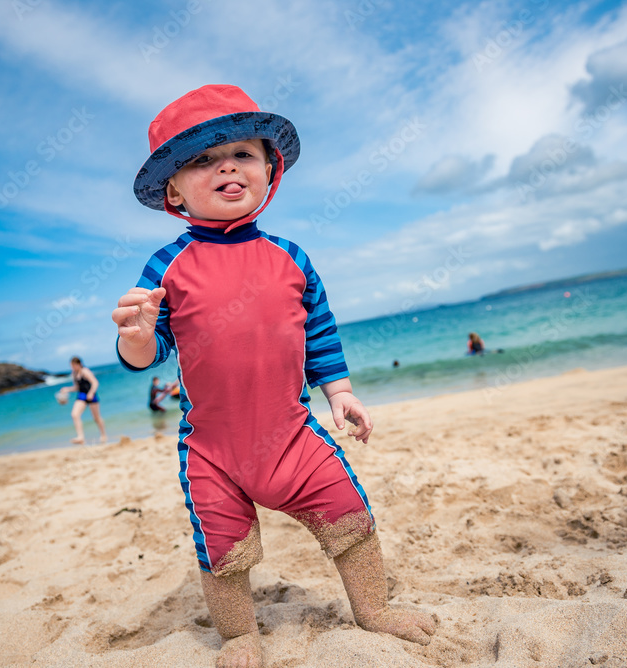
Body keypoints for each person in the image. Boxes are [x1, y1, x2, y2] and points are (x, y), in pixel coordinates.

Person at [112, 85, 435, 666]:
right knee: (223, 553)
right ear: (174, 190)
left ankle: (374, 611)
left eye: (242, 154)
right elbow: (151, 351)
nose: (226, 167)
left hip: (293, 436)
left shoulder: (292, 258)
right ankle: (240, 636)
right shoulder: (167, 265)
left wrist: (340, 391)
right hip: (212, 449)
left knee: (350, 519)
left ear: (269, 170)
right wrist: (135, 338)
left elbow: (320, 332)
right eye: (203, 160)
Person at [56, 356, 107, 444]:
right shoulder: (74, 374)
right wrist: (67, 389)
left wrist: (91, 393)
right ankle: (80, 437)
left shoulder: (85, 371)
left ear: (78, 364)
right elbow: (77, 387)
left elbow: (95, 382)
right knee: (75, 414)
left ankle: (103, 435)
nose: (72, 367)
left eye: (73, 365)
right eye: (71, 366)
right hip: (82, 395)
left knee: (96, 418)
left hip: (91, 395)